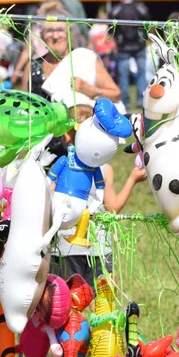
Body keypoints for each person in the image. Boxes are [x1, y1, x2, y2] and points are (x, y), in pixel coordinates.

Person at [50, 104, 147, 287]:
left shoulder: (61, 165)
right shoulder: (104, 169)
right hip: (99, 249)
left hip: (65, 247)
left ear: (66, 134)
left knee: (67, 306)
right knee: (102, 305)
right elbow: (113, 208)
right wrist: (132, 179)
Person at [110, 0, 151, 109]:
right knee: (141, 73)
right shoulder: (140, 7)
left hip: (123, 46)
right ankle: (141, 99)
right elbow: (148, 22)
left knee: (123, 75)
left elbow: (110, 27)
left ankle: (126, 102)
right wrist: (145, 36)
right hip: (139, 44)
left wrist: (117, 39)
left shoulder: (116, 9)